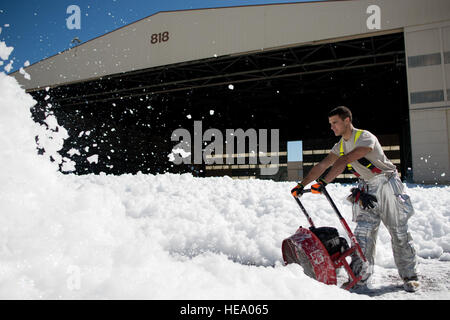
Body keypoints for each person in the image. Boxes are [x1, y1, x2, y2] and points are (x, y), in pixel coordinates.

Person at [291, 106, 419, 292]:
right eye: (330, 124)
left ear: (347, 120)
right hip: (366, 189)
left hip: (387, 183)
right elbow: (323, 164)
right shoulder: (340, 145)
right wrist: (302, 185)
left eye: (335, 122)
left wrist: (323, 182)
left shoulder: (365, 137)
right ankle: (359, 277)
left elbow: (344, 161)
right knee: (362, 235)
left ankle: (410, 276)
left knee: (398, 232)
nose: (332, 127)